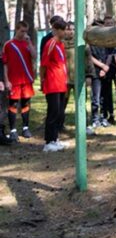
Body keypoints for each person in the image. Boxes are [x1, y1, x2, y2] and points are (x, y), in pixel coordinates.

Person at [2, 21, 37, 142]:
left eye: (26, 31)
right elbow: (5, 64)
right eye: (22, 31)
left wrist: (29, 43)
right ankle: (13, 130)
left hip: (26, 79)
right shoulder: (9, 45)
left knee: (26, 103)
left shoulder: (28, 43)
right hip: (14, 80)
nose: (24, 34)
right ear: (16, 30)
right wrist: (6, 80)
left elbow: (35, 56)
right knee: (13, 104)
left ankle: (25, 127)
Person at [40, 18, 69, 152]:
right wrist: (42, 80)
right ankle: (48, 141)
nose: (65, 32)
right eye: (63, 30)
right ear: (56, 30)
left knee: (59, 112)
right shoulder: (50, 44)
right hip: (52, 83)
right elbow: (44, 64)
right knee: (52, 112)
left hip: (61, 82)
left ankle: (55, 138)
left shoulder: (61, 45)